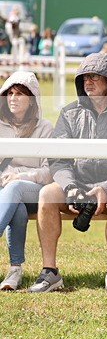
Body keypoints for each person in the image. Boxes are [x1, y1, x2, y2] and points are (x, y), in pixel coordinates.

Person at [29, 52, 107, 293]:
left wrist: (105, 187)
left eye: (95, 76)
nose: (88, 82)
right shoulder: (69, 112)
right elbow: (58, 158)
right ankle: (49, 272)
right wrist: (70, 187)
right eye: (84, 77)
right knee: (46, 194)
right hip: (80, 184)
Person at [0, 72, 53, 290]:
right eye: (9, 93)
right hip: (5, 190)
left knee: (16, 187)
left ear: (31, 99)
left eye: (20, 94)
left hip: (34, 189)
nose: (13, 98)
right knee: (17, 209)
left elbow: (49, 172)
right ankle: (15, 271)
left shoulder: (45, 128)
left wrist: (19, 175)